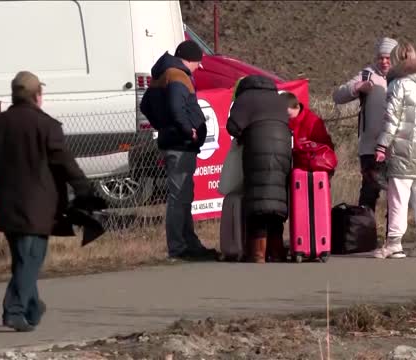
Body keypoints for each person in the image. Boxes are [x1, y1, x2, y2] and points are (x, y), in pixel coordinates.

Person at [0, 71, 98, 332]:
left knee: (23, 260)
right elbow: (66, 164)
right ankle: (14, 310)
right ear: (37, 96)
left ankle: (32, 306)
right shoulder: (46, 126)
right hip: (38, 208)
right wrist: (86, 192)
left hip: (7, 207)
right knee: (31, 260)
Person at [140, 40, 217, 261]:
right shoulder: (178, 76)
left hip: (174, 142)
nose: (199, 67)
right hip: (180, 145)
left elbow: (145, 105)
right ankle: (178, 246)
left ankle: (188, 241)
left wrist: (162, 126)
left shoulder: (163, 74)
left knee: (183, 195)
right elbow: (176, 106)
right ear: (190, 60)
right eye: (198, 63)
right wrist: (187, 130)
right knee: (179, 196)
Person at [369, 43, 416, 259]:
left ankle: (394, 243)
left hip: (402, 149)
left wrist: (382, 145)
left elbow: (391, 119)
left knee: (398, 196)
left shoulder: (398, 85)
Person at [226, 75, 292, 263]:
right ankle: (277, 252)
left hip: (257, 149)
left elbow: (232, 127)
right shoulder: (279, 98)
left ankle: (257, 254)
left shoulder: (245, 98)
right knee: (277, 198)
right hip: (283, 150)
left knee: (258, 200)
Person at [332, 37, 398, 211]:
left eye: (388, 58)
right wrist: (357, 87)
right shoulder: (367, 74)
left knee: (396, 195)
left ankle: (392, 236)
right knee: (369, 192)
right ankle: (364, 232)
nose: (384, 61)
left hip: (396, 146)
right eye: (380, 57)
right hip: (370, 147)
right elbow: (337, 96)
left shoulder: (402, 76)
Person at [280, 91, 336, 174]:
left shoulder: (313, 122)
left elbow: (325, 150)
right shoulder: (280, 123)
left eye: (288, 114)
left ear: (297, 107)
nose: (286, 118)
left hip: (309, 171)